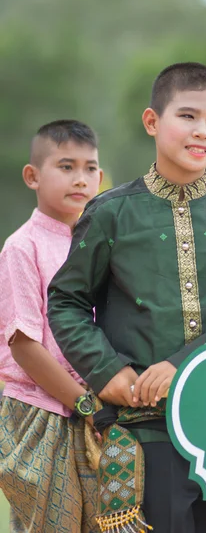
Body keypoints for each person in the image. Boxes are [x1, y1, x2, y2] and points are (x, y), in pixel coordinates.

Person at [47, 62, 206, 533]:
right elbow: (66, 302)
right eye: (188, 116)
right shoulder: (112, 213)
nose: (203, 132)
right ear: (152, 122)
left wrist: (183, 365)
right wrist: (106, 370)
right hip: (142, 430)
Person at [0, 120, 103, 533]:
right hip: (40, 411)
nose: (81, 179)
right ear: (33, 176)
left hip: (96, 409)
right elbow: (24, 345)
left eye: (91, 168)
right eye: (66, 166)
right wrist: (84, 404)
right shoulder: (22, 247)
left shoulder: (95, 242)